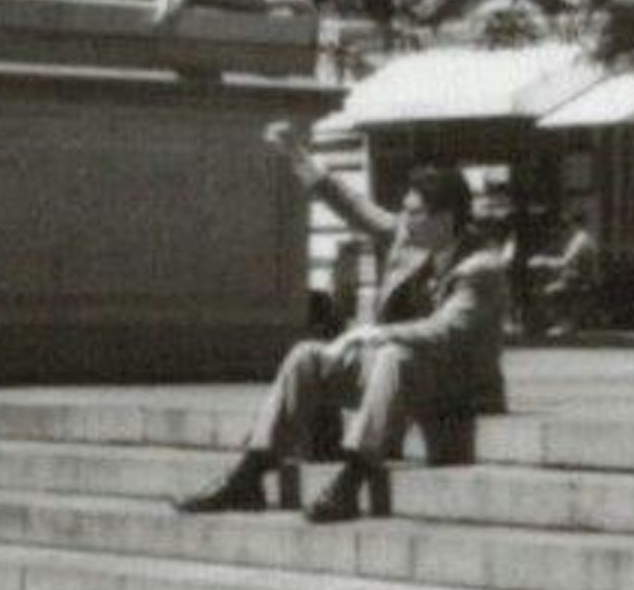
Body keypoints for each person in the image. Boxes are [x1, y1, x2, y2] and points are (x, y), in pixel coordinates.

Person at [179, 129, 510, 524]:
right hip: (398, 375)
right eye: (404, 210)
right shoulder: (411, 239)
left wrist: (373, 332)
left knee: (391, 354)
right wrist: (298, 156)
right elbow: (353, 206)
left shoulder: (482, 268)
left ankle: (354, 478)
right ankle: (250, 472)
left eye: (414, 213)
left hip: (457, 386)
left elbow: (447, 331)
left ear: (446, 219)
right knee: (307, 356)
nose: (404, 220)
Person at [520, 204, 605, 340]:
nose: (564, 227)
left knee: (546, 293)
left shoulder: (580, 240)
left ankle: (565, 325)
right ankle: (567, 324)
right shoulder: (582, 238)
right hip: (578, 279)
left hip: (582, 281)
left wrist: (543, 261)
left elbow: (566, 262)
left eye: (566, 223)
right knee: (550, 288)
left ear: (573, 222)